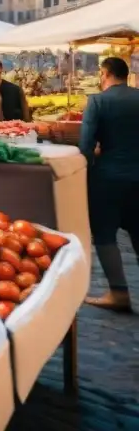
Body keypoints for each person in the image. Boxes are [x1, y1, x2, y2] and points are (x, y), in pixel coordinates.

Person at [79, 57, 139, 312]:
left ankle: (119, 293)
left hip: (108, 179)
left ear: (105, 73)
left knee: (104, 234)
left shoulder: (97, 101)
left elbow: (85, 146)